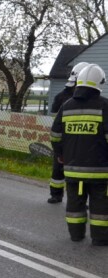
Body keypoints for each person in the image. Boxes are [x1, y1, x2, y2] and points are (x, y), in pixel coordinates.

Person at [50, 63, 108, 246]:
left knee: (74, 204)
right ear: (99, 83)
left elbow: (55, 134)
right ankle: (100, 238)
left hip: (72, 169)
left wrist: (60, 154)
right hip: (100, 171)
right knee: (100, 206)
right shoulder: (105, 106)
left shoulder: (66, 106)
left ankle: (76, 235)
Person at [47, 62, 89, 204]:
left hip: (77, 138)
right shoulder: (63, 97)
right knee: (59, 168)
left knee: (80, 171)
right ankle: (56, 194)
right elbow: (54, 121)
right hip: (67, 139)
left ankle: (79, 198)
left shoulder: (65, 96)